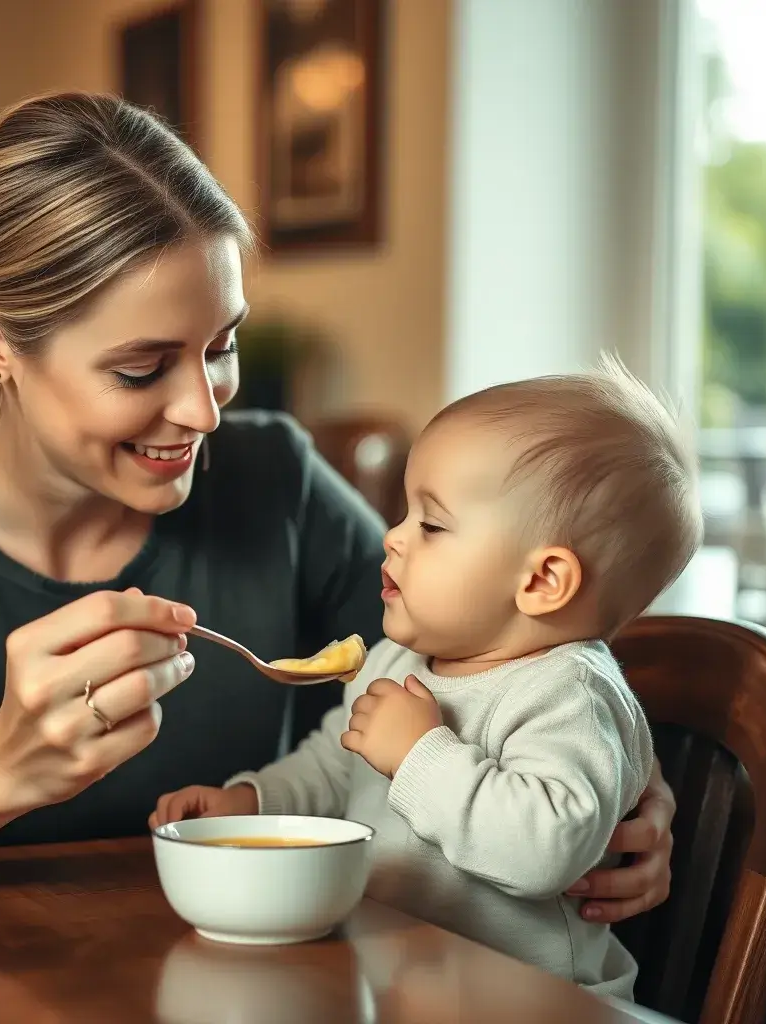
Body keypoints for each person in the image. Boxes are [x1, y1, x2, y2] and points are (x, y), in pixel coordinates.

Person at [0, 91, 671, 926]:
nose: (205, 412)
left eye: (222, 346)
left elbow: (498, 664)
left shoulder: (275, 480)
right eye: (141, 368)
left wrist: (630, 796)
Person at [153, 357, 702, 998]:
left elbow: (547, 849)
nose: (392, 537)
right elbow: (334, 766)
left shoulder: (569, 696)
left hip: (533, 1003)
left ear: (542, 580)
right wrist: (253, 802)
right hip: (395, 982)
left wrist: (420, 754)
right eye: (405, 514)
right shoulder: (395, 659)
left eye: (432, 525)